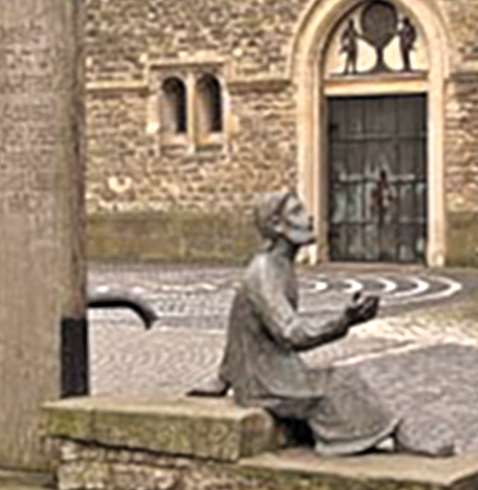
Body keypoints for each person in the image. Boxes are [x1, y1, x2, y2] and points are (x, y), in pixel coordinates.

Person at [191, 192, 453, 457]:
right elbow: (291, 334)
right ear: (276, 226)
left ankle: (368, 434)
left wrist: (221, 379)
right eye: (297, 212)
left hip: (271, 370)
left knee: (337, 379)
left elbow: (240, 328)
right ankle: (397, 434)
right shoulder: (265, 273)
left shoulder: (280, 266)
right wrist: (343, 321)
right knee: (339, 381)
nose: (309, 217)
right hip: (263, 381)